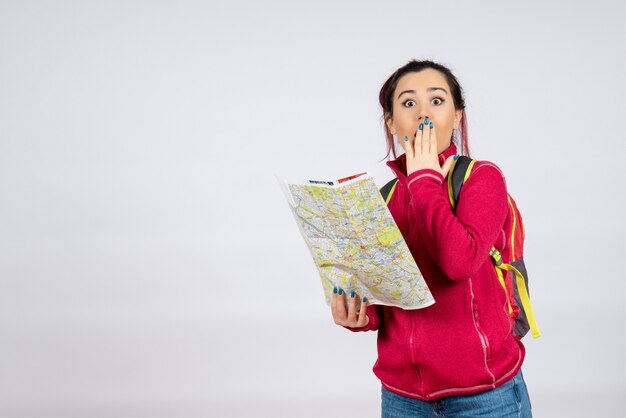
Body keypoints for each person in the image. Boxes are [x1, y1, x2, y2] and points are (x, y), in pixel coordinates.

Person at [330, 59, 533, 417]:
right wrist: (362, 316)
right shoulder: (385, 198)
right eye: (408, 104)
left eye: (437, 101)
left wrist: (424, 179)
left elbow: (459, 263)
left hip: (485, 395)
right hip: (403, 398)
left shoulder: (481, 179)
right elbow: (388, 294)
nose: (423, 114)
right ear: (391, 122)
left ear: (456, 116)